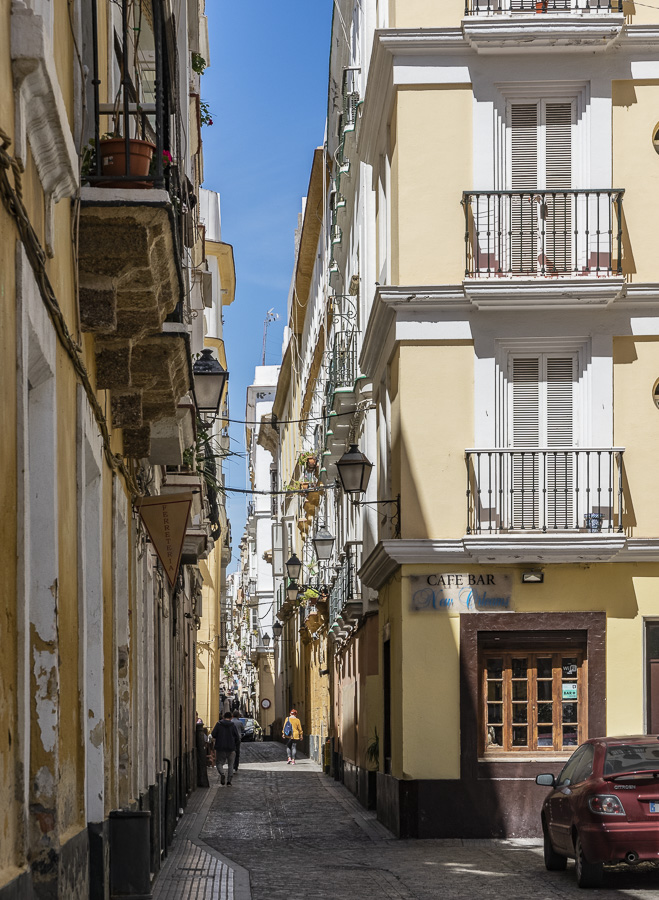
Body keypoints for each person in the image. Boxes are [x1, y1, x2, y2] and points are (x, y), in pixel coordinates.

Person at [212, 711, 240, 785]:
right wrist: (234, 744)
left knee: (219, 763)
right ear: (231, 718)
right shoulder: (232, 725)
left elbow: (213, 734)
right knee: (231, 765)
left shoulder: (219, 724)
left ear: (224, 717)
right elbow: (237, 737)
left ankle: (222, 773)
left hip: (220, 747)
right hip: (231, 748)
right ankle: (229, 781)